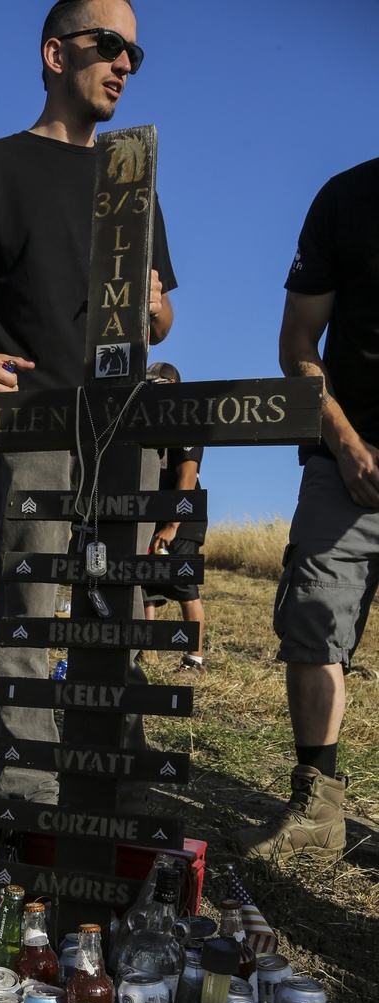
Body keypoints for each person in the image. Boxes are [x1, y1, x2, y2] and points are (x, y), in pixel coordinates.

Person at [0, 0, 176, 798]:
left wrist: (155, 302)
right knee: (30, 614)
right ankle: (28, 799)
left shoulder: (130, 170)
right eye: (109, 45)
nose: (125, 63)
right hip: (33, 425)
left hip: (126, 429)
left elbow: (162, 320)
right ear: (55, 53)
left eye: (135, 51)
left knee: (119, 618)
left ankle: (115, 795)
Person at [233, 157, 379, 866]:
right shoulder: (347, 198)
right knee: (313, 619)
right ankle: (318, 809)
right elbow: (299, 345)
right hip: (342, 459)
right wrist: (345, 441)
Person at [142, 362, 207, 676]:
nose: (149, 389)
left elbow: (187, 476)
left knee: (184, 587)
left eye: (155, 383)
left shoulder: (186, 420)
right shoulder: (154, 423)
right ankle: (147, 649)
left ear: (171, 384)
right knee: (144, 582)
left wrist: (172, 525)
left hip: (182, 518)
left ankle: (194, 661)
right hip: (155, 515)